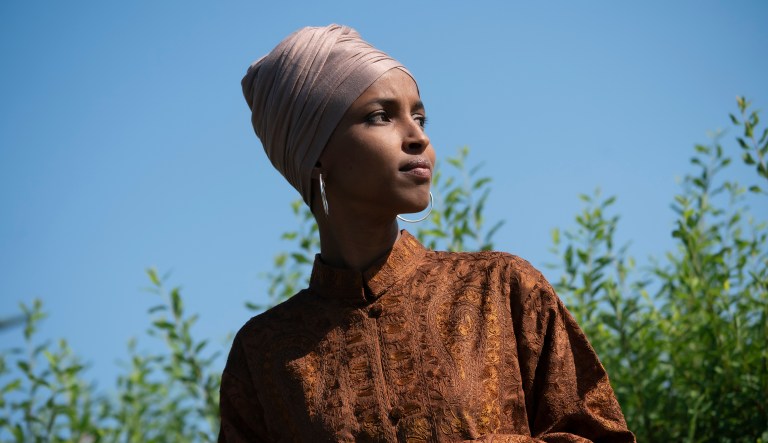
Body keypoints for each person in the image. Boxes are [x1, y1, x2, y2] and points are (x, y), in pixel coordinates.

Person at [220, 24, 635, 442]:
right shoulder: (263, 353)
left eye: (419, 117)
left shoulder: (501, 288)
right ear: (313, 152)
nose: (418, 136)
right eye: (380, 116)